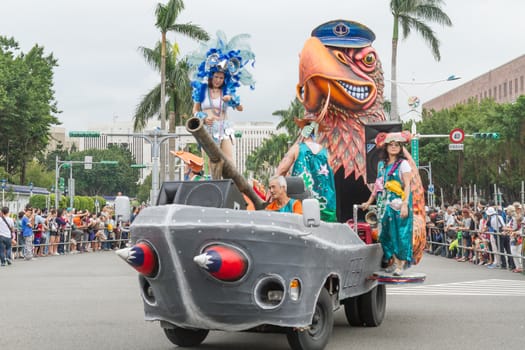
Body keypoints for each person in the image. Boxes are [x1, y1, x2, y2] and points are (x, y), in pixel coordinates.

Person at [189, 30, 255, 177]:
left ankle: (232, 186)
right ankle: (212, 188)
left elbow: (240, 108)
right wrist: (203, 118)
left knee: (229, 160)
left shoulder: (227, 92)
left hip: (224, 127)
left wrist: (231, 99)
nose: (218, 80)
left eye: (221, 77)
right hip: (207, 128)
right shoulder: (201, 90)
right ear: (211, 76)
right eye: (216, 77)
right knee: (209, 162)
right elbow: (195, 110)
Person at [361, 131, 414, 276]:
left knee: (400, 234)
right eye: (391, 145)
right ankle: (391, 260)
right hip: (384, 205)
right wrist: (369, 202)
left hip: (397, 203)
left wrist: (404, 204)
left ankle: (400, 264)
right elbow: (378, 186)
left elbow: (408, 185)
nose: (394, 147)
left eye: (397, 145)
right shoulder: (381, 166)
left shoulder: (403, 164)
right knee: (384, 234)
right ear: (386, 147)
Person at [275, 114, 336, 222]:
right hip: (324, 205)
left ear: (303, 131)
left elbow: (281, 170)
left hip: (301, 204)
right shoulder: (326, 153)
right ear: (316, 132)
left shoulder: (297, 149)